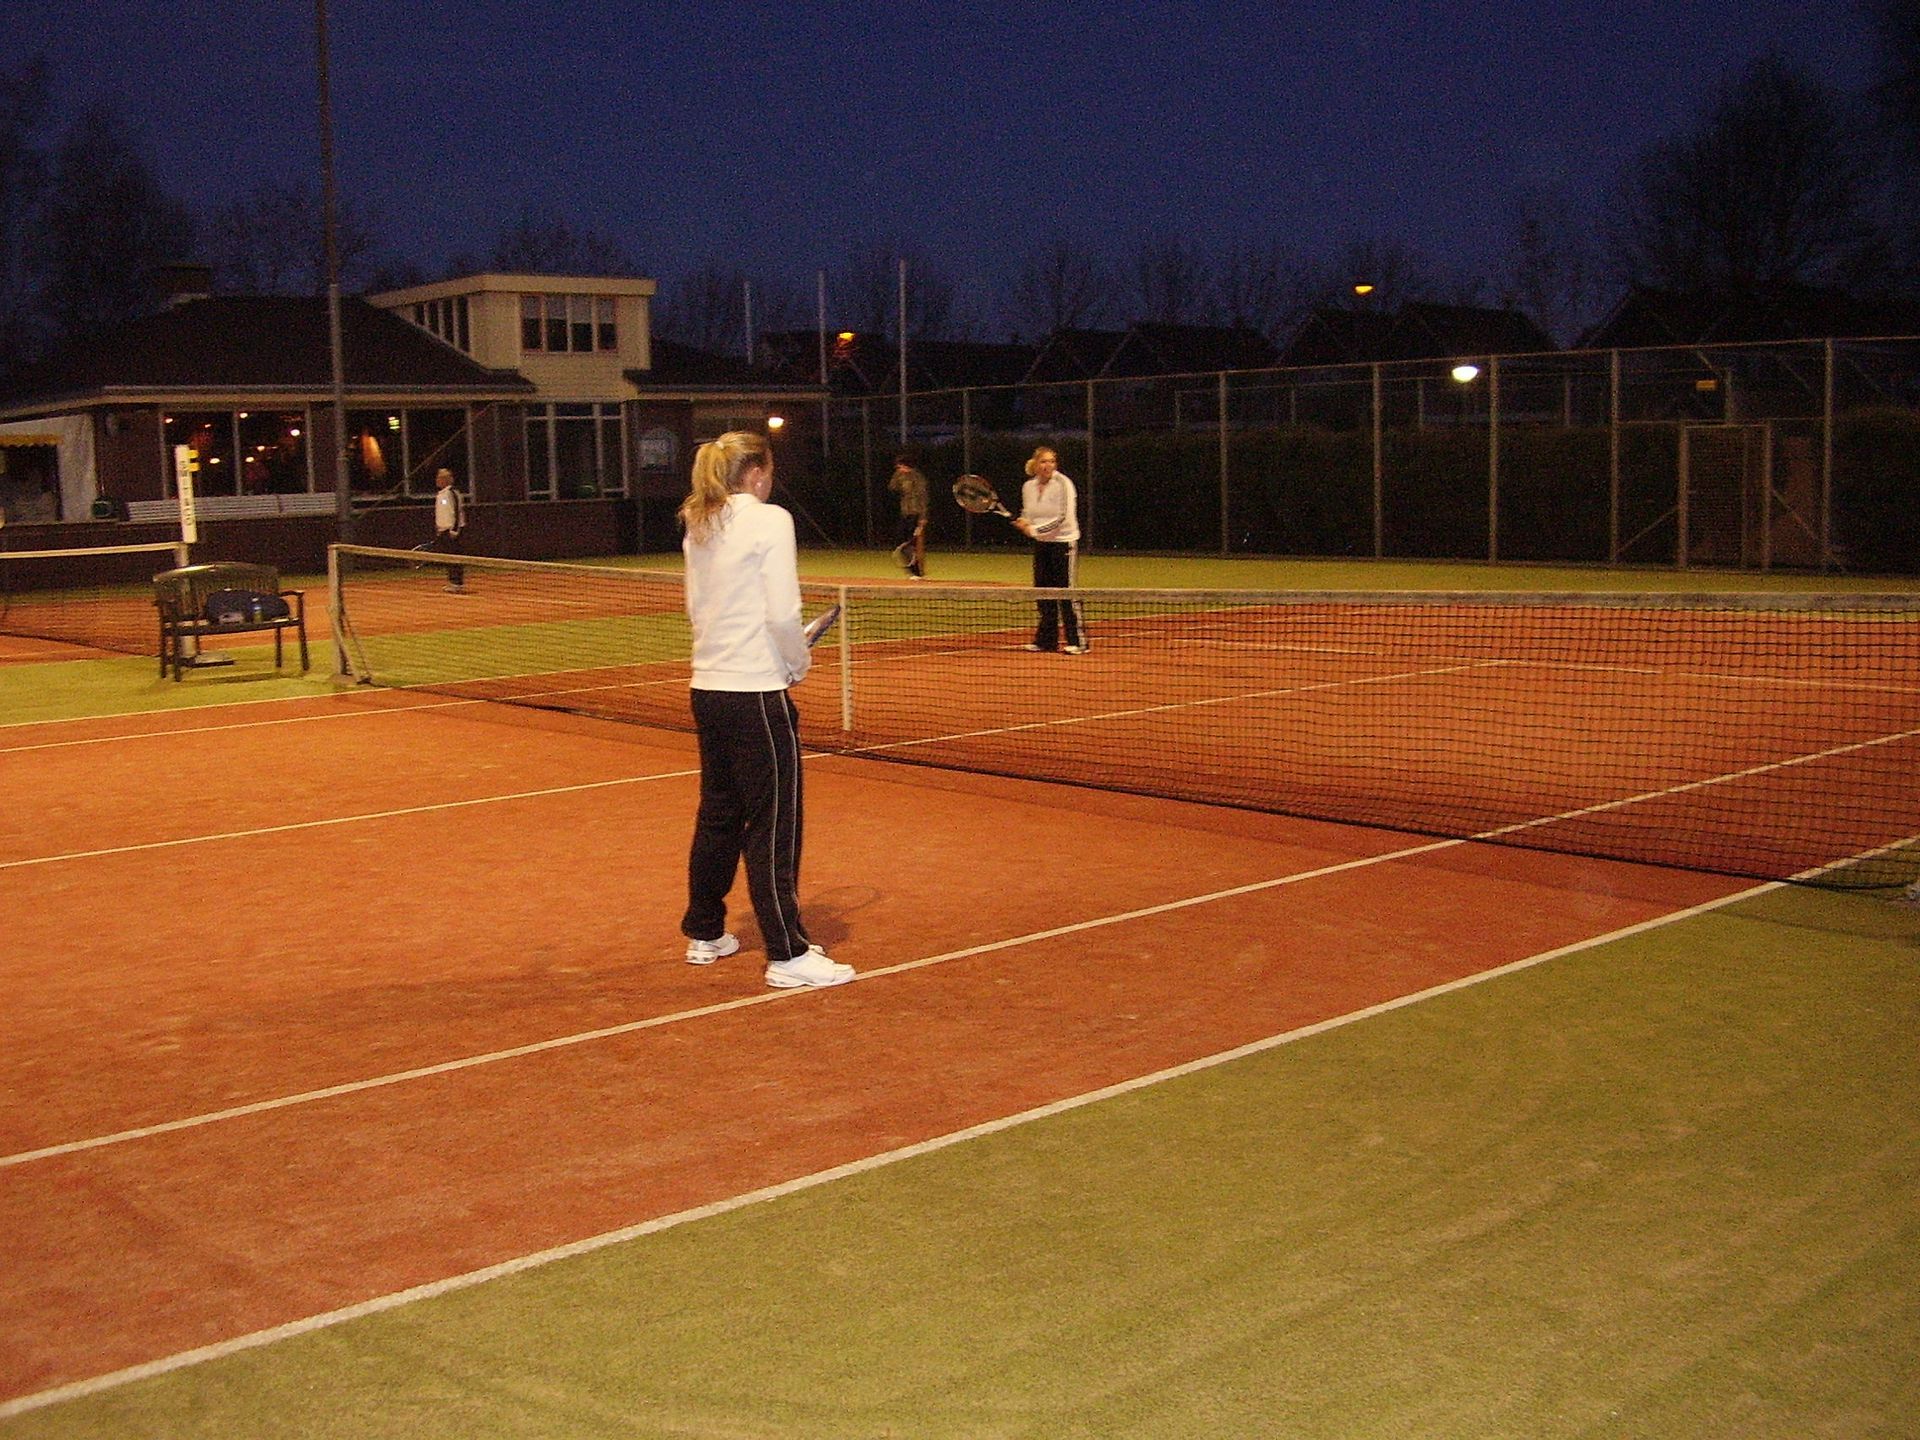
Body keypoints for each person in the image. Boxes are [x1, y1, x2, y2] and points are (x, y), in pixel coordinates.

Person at [678, 430, 854, 990]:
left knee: (719, 813)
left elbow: (697, 608)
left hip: (709, 688)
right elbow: (782, 613)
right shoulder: (770, 519)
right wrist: (797, 663)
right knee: (775, 821)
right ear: (756, 474)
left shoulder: (699, 523)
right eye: (769, 473)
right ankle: (787, 953)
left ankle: (705, 931)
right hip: (755, 692)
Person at [1014, 445, 1087, 653]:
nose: (1048, 466)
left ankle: (1078, 642)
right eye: (1044, 461)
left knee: (1066, 592)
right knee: (1043, 592)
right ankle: (1046, 641)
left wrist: (1034, 530)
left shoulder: (1064, 484)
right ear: (1035, 464)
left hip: (1064, 542)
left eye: (1052, 461)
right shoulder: (1028, 486)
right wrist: (1024, 520)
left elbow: (1062, 517)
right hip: (1042, 544)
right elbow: (1029, 512)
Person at [888, 451, 928, 578]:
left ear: (907, 465)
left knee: (913, 544)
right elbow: (892, 487)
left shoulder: (918, 478)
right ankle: (912, 569)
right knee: (902, 543)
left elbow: (923, 498)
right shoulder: (900, 476)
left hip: (916, 514)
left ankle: (916, 572)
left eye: (900, 465)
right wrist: (897, 475)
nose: (898, 468)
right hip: (905, 513)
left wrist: (923, 518)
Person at [432, 467, 466, 593]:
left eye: (440, 478)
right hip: (443, 531)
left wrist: (454, 530)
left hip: (453, 532)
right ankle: (452, 582)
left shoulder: (452, 493)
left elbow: (457, 512)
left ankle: (457, 583)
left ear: (447, 479)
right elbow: (442, 513)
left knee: (455, 557)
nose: (437, 480)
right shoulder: (440, 495)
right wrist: (439, 529)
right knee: (447, 558)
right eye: (438, 477)